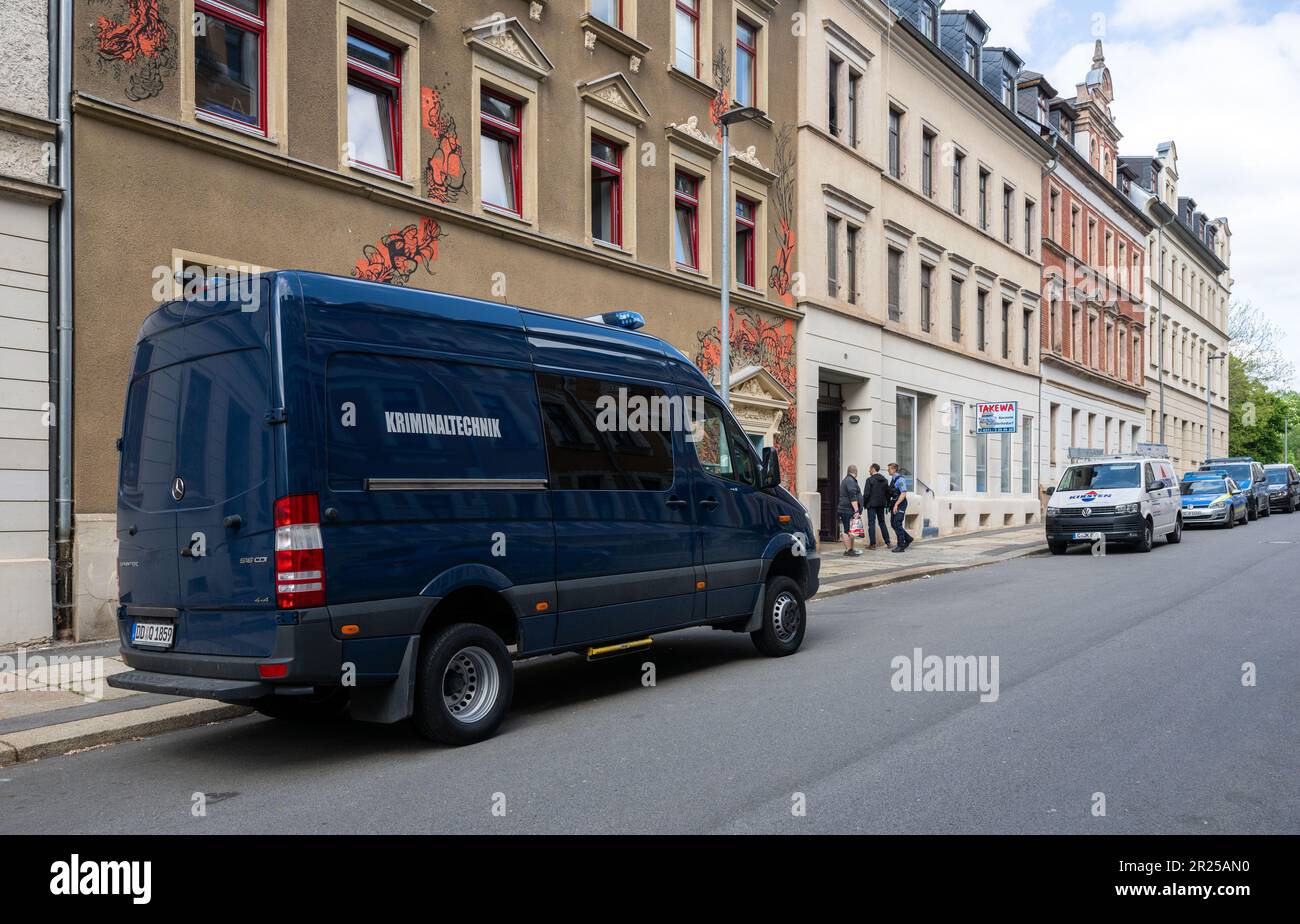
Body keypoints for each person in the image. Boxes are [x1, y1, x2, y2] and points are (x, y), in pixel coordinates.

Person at [837, 465, 864, 556]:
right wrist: (856, 510)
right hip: (846, 509)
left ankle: (851, 549)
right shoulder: (850, 480)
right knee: (846, 530)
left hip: (848, 509)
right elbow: (853, 496)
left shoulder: (849, 480)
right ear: (855, 472)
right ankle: (848, 550)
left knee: (851, 530)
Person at [863, 463, 892, 548]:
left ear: (873, 469)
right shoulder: (885, 480)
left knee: (871, 523)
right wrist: (887, 504)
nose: (869, 470)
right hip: (881, 505)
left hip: (871, 505)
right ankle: (888, 542)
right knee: (882, 522)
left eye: (869, 469)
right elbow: (888, 493)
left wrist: (864, 504)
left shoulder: (869, 480)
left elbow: (866, 494)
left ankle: (873, 544)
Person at [887, 462, 914, 553]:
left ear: (894, 469)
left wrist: (896, 504)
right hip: (895, 503)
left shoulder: (900, 479)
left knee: (897, 523)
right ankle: (908, 538)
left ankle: (901, 546)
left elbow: (903, 493)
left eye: (889, 469)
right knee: (893, 523)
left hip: (901, 503)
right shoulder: (893, 479)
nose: (888, 470)